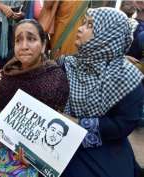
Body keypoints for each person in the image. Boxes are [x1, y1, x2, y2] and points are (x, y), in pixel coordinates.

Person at [0, 19, 69, 176]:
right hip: (4, 140)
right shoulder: (9, 73)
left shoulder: (55, 78)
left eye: (31, 39)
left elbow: (57, 125)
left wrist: (35, 156)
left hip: (35, 155)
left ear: (43, 45)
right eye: (18, 40)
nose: (24, 46)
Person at [57, 7, 144, 177]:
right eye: (84, 23)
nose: (81, 29)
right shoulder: (66, 64)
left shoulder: (128, 78)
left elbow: (124, 123)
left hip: (106, 144)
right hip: (62, 136)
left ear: (108, 35)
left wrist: (79, 123)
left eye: (90, 25)